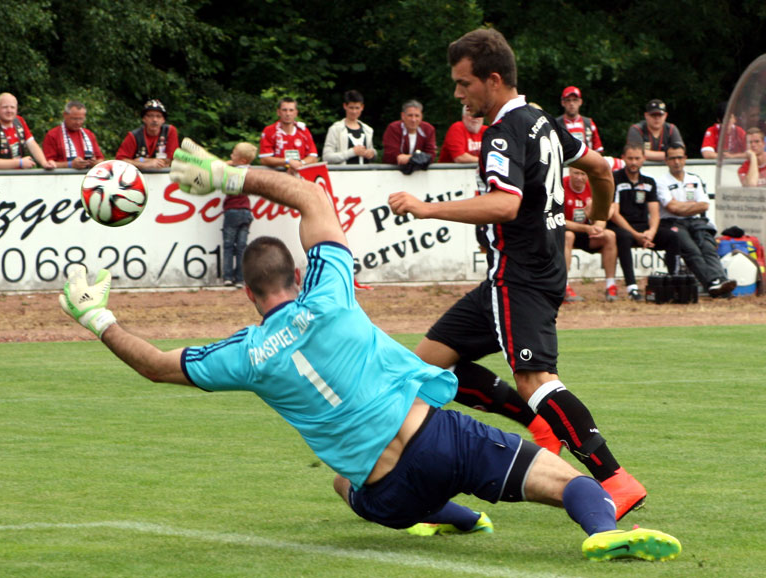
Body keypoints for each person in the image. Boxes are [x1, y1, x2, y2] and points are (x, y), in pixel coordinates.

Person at [57, 137, 682, 563]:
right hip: (440, 442)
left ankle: (459, 518)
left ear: (248, 294)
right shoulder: (329, 292)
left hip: (383, 496)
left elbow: (156, 366)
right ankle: (603, 533)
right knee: (565, 484)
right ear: (297, 277)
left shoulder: (246, 355)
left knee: (338, 483)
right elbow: (311, 199)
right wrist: (226, 176)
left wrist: (97, 317)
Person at [387, 28, 647, 521]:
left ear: (492, 79)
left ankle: (614, 478)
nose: (458, 94)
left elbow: (505, 206)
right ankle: (533, 426)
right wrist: (596, 215)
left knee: (535, 378)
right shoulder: (543, 122)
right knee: (418, 370)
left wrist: (427, 208)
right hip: (518, 276)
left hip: (519, 276)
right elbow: (601, 171)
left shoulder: (503, 132)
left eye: (464, 84)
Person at [658, 144, 737, 297]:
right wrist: (692, 205)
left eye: (680, 157)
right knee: (691, 250)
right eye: (673, 158)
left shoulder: (694, 179)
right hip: (672, 222)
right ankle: (713, 283)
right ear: (666, 161)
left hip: (695, 222)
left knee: (708, 247)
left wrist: (683, 207)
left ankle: (721, 281)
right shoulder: (661, 182)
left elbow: (704, 205)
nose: (677, 162)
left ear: (685, 159)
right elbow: (672, 208)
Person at [607, 144, 680, 301]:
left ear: (644, 159)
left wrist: (651, 232)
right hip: (621, 226)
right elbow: (614, 214)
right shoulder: (615, 179)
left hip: (644, 227)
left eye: (637, 158)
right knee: (624, 237)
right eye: (630, 158)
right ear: (623, 158)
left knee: (672, 236)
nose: (633, 162)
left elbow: (654, 212)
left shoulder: (649, 181)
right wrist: (636, 235)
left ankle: (674, 280)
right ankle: (632, 288)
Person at [563, 167, 618, 302]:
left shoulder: (593, 187)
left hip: (586, 231)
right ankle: (564, 286)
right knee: (568, 236)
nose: (579, 177)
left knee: (609, 236)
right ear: (569, 172)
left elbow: (606, 211)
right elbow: (557, 219)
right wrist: (586, 228)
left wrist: (598, 226)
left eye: (583, 174)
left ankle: (611, 285)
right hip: (565, 230)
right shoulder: (561, 185)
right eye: (576, 173)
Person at [0, 92, 56, 170]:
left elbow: (32, 144)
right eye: (5, 107)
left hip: (17, 176)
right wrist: (20, 162)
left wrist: (44, 163)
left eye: (12, 107)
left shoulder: (19, 121)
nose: (9, 110)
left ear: (16, 109)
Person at [221, 142, 257, 288]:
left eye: (234, 154)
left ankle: (228, 277)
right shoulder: (250, 171)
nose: (231, 156)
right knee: (242, 247)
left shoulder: (231, 171)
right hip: (246, 212)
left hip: (232, 211)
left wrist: (229, 163)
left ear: (241, 160)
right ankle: (241, 279)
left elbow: (220, 169)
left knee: (229, 246)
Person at [259, 97, 318, 175]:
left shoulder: (303, 131)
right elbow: (264, 159)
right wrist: (288, 162)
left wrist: (299, 164)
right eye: (284, 110)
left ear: (296, 113)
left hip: (300, 176)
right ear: (278, 112)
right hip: (277, 177)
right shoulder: (269, 131)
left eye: (291, 110)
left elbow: (313, 157)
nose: (288, 114)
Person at [115, 99, 179, 170]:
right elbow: (120, 161)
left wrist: (141, 159)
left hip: (164, 175)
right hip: (139, 176)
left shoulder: (170, 131)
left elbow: (170, 160)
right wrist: (145, 164)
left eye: (158, 116)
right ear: (144, 119)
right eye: (150, 116)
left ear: (163, 120)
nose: (154, 120)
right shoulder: (134, 136)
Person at [43, 100, 105, 169]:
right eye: (74, 119)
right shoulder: (53, 135)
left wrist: (95, 163)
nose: (78, 122)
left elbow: (101, 159)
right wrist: (70, 165)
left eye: (81, 119)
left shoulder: (89, 134)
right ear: (65, 115)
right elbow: (48, 164)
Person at [322, 90, 376, 165]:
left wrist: (372, 153)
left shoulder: (368, 130)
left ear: (362, 107)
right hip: (343, 174)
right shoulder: (335, 129)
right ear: (345, 106)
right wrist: (352, 152)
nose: (354, 111)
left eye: (357, 108)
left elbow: (372, 152)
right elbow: (327, 157)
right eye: (351, 108)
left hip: (364, 174)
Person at [381, 100, 437, 166]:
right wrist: (419, 158)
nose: (413, 120)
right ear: (403, 116)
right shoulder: (393, 128)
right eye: (410, 115)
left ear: (421, 116)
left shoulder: (428, 129)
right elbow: (391, 155)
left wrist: (410, 158)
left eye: (417, 116)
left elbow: (431, 155)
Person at [556, 86, 604, 153]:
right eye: (568, 100)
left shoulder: (589, 123)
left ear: (580, 102)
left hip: (587, 162)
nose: (571, 103)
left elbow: (598, 149)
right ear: (563, 103)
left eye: (575, 100)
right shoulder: (556, 124)